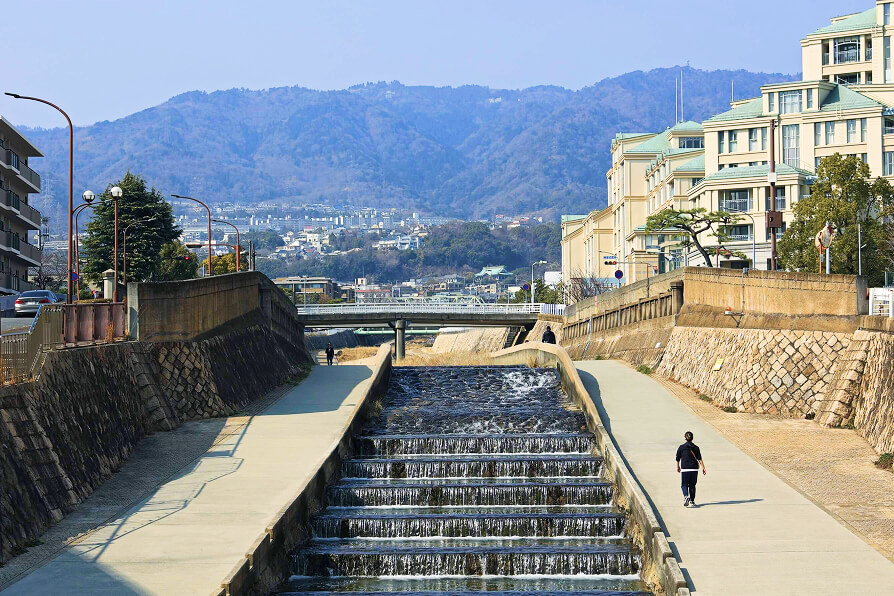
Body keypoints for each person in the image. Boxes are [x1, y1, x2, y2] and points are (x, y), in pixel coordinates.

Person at [675, 431, 706, 507]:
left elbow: (677, 458)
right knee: (692, 485)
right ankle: (692, 501)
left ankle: (686, 496)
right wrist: (703, 468)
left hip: (685, 469)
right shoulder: (696, 447)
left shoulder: (681, 447)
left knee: (684, 485)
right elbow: (699, 458)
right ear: (692, 438)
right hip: (694, 469)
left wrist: (678, 466)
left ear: (685, 438)